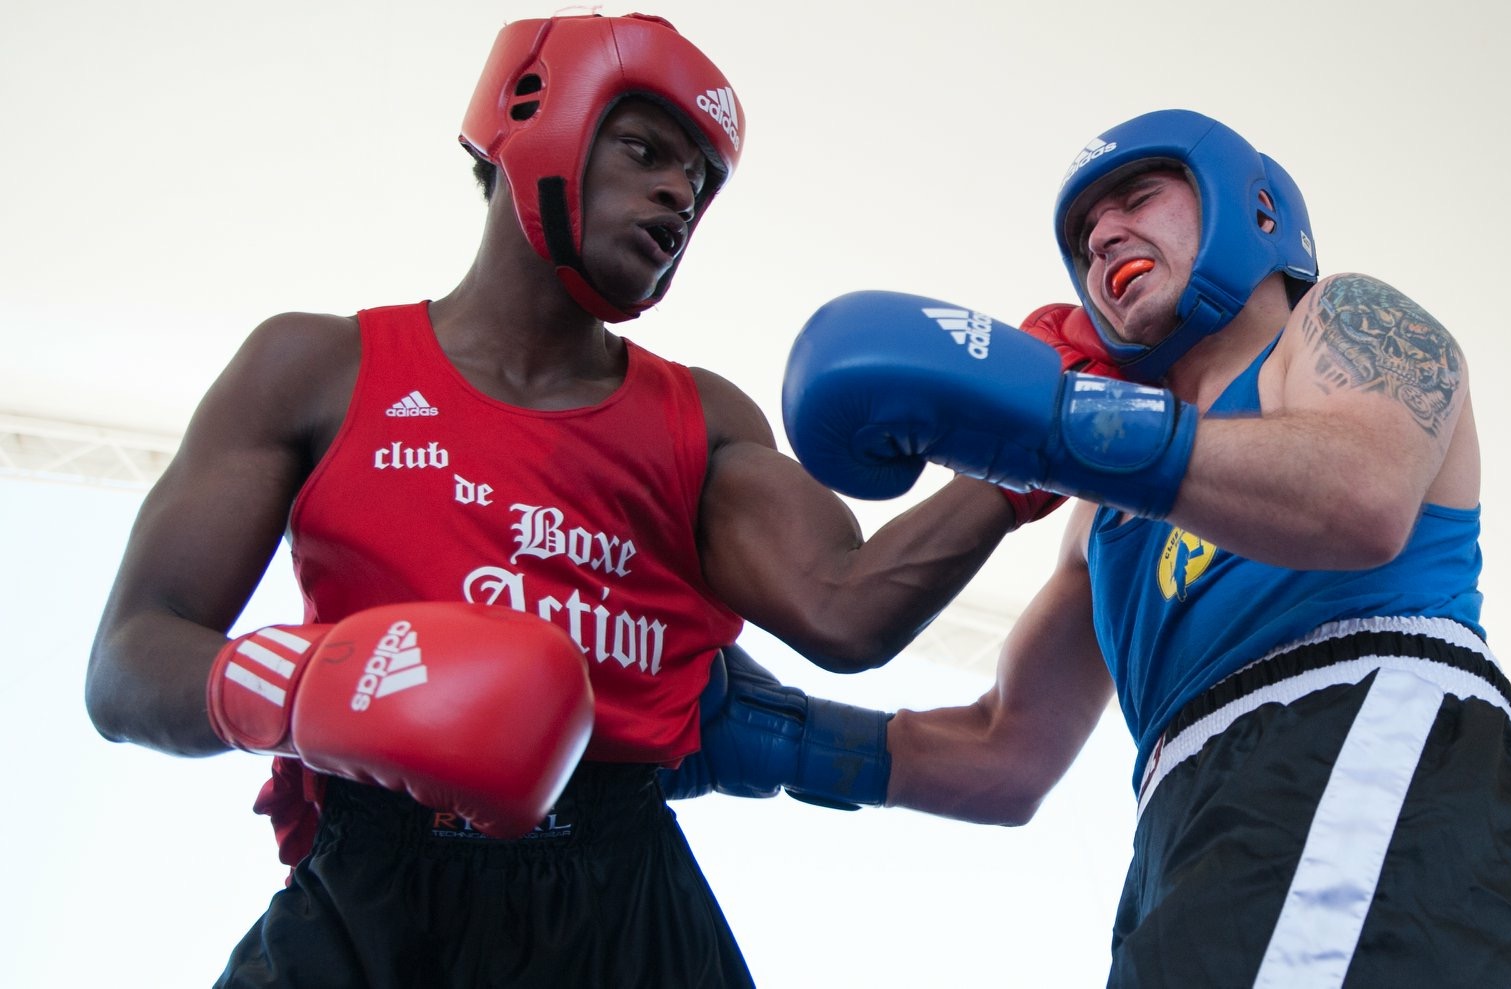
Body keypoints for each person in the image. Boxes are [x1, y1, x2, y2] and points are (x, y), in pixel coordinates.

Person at [82, 13, 1044, 987]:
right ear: (534, 118)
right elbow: (127, 661)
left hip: (623, 898)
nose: (680, 192)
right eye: (646, 149)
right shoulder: (315, 367)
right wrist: (304, 687)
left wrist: (1036, 441)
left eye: (701, 181)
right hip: (370, 885)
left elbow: (849, 606)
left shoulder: (698, 419)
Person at [777, 108, 1511, 987]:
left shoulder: (1338, 324)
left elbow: (1360, 493)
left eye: (1137, 198)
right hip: (1185, 818)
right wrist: (762, 737)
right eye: (1084, 238)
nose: (1104, 237)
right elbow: (1007, 753)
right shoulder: (1101, 515)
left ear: (1255, 212)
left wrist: (1058, 423)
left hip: (1368, 738)